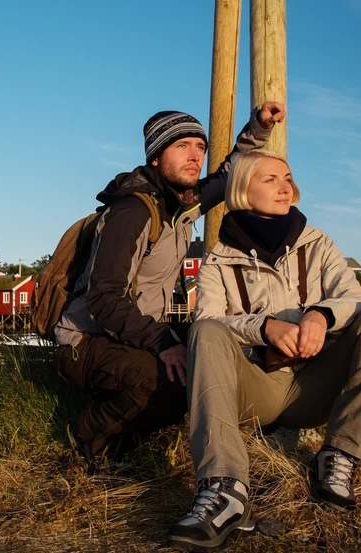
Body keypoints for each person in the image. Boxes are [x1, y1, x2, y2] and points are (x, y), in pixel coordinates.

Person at [168, 150, 361, 551]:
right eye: (270, 179)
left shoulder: (318, 243)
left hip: (318, 384)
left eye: (287, 177)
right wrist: (263, 329)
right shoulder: (217, 262)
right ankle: (225, 489)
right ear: (242, 189)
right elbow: (211, 319)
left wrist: (319, 316)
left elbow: (355, 297)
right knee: (205, 331)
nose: (285, 186)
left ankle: (339, 456)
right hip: (259, 388)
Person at [55, 102, 286, 461]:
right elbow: (105, 299)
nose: (195, 156)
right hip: (86, 339)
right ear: (156, 158)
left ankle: (131, 436)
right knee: (164, 380)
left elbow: (230, 174)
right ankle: (84, 436)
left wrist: (259, 127)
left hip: (135, 332)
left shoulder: (184, 204)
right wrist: (162, 341)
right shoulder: (131, 213)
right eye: (182, 146)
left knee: (211, 360)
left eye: (200, 147)